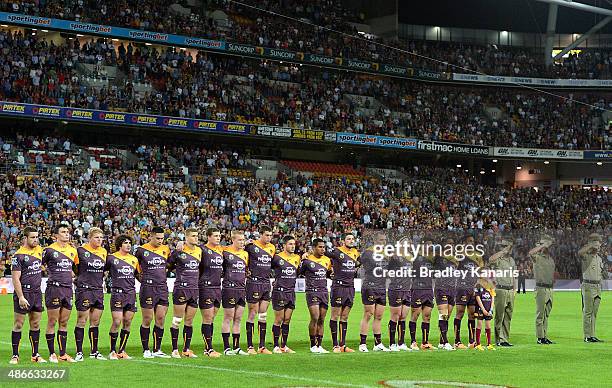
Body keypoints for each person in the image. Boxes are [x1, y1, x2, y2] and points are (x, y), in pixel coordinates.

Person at [10, 226, 47, 364]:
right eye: (33, 237)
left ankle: (35, 354)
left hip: (37, 293)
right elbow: (15, 279)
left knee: (36, 324)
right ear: (25, 238)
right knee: (19, 324)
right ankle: (15, 355)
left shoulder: (39, 251)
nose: (36, 239)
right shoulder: (18, 256)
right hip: (24, 292)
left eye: (37, 237)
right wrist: (20, 297)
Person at [43, 223, 78, 363]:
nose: (66, 234)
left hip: (68, 289)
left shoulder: (72, 250)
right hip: (54, 289)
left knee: (64, 322)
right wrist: (48, 271)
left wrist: (72, 274)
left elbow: (75, 267)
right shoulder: (49, 250)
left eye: (67, 232)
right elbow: (38, 263)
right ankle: (52, 354)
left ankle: (62, 354)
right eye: (63, 232)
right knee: (52, 321)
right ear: (56, 235)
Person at [135, 226, 172, 358]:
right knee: (147, 318)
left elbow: (170, 264)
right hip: (148, 288)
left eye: (162, 238)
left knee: (161, 318)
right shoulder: (141, 250)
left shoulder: (166, 249)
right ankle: (146, 349)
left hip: (162, 288)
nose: (160, 241)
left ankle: (157, 349)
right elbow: (133, 265)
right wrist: (140, 278)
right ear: (151, 236)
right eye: (158, 238)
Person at [74, 227, 108, 361]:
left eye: (101, 238)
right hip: (85, 290)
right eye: (96, 237)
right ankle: (79, 352)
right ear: (90, 238)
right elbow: (74, 267)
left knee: (95, 322)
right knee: (82, 320)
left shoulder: (104, 252)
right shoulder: (81, 251)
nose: (99, 240)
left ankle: (94, 351)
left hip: (98, 290)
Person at [168, 228, 202, 358]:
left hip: (194, 289)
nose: (196, 238)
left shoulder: (199, 251)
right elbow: (169, 265)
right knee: (177, 320)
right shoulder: (179, 251)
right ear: (186, 238)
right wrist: (177, 248)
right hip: (181, 288)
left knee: (189, 321)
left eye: (197, 236)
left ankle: (186, 349)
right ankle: (174, 349)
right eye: (193, 236)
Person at [106, 235, 139, 360]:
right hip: (117, 293)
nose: (128, 245)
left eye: (130, 243)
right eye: (125, 243)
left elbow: (138, 275)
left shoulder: (134, 259)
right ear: (120, 245)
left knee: (128, 322)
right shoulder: (111, 258)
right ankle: (112, 350)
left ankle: (122, 351)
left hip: (130, 294)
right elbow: (101, 271)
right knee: (117, 321)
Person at [326, 233, 361, 353]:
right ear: (343, 241)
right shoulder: (336, 251)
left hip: (350, 287)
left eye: (352, 239)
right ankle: (335, 345)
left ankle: (343, 345)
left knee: (345, 317)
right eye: (349, 239)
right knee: (335, 316)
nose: (351, 241)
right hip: (338, 287)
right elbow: (322, 254)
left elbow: (360, 262)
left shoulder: (356, 253)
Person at [244, 226, 275, 354]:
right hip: (253, 282)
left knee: (263, 315)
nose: (269, 238)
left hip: (266, 283)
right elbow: (241, 255)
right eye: (267, 235)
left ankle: (262, 346)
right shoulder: (251, 246)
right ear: (260, 235)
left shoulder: (272, 248)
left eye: (270, 235)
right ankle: (250, 346)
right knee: (252, 313)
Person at [358, 233, 390, 352]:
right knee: (368, 314)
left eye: (385, 240)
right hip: (370, 286)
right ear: (375, 240)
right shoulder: (368, 253)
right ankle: (362, 344)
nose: (383, 242)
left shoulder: (386, 254)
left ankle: (378, 343)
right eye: (381, 240)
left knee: (379, 316)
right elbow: (371, 267)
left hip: (381, 287)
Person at [300, 238, 332, 354]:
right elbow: (300, 271)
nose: (322, 249)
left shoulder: (327, 260)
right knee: (315, 317)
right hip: (312, 291)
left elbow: (328, 273)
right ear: (314, 248)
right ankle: (313, 345)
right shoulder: (307, 260)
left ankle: (319, 345)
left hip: (324, 291)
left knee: (322, 319)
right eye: (320, 247)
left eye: (324, 247)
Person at [221, 230, 250, 355]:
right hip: (229, 289)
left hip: (241, 289)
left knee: (238, 318)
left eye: (243, 240)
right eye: (239, 240)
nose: (242, 242)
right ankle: (227, 348)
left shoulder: (245, 254)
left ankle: (237, 347)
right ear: (233, 240)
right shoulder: (225, 251)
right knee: (228, 317)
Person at [270, 235, 301, 353]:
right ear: (284, 246)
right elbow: (268, 268)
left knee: (287, 319)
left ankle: (284, 345)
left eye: (294, 244)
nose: (293, 246)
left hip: (291, 292)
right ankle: (275, 346)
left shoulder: (297, 258)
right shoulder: (277, 258)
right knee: (279, 319)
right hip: (280, 292)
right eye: (290, 244)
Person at [454, 234, 483, 349]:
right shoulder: (460, 255)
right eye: (469, 241)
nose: (471, 243)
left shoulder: (477, 256)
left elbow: (481, 269)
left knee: (472, 314)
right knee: (460, 313)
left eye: (472, 241)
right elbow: (454, 266)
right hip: (462, 287)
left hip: (473, 288)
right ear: (465, 242)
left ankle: (471, 341)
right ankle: (457, 340)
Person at [199, 227, 224, 357]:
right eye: (215, 235)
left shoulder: (221, 250)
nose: (218, 238)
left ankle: (207, 347)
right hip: (205, 287)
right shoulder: (202, 250)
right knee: (207, 318)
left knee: (212, 318)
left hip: (217, 287)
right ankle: (209, 349)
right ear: (208, 237)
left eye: (219, 236)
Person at [578, 233, 607, 343]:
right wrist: (590, 245)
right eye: (597, 245)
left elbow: (601, 273)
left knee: (594, 313)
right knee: (588, 312)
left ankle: (592, 335)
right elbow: (579, 253)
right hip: (588, 286)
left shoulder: (599, 258)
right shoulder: (586, 256)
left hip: (597, 286)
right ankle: (587, 336)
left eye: (599, 245)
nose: (598, 247)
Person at [409, 236, 436, 351]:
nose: (429, 247)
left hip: (429, 290)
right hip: (418, 289)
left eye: (431, 245)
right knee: (415, 315)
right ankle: (413, 341)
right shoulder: (416, 257)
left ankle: (425, 342)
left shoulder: (433, 259)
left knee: (427, 316)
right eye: (427, 244)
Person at [529, 234, 556, 345]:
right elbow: (530, 253)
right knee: (540, 314)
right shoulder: (537, 257)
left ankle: (544, 336)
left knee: (546, 314)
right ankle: (540, 338)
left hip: (550, 289)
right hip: (541, 288)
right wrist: (543, 245)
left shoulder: (551, 259)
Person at [387, 237, 412, 352]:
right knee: (395, 316)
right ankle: (392, 344)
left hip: (407, 289)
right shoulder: (394, 257)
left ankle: (401, 343)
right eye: (405, 243)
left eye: (409, 244)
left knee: (403, 317)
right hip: (396, 289)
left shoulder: (410, 257)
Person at [489, 238, 515, 347]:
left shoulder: (512, 260)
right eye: (508, 247)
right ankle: (498, 339)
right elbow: (490, 259)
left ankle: (505, 339)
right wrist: (503, 251)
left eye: (510, 247)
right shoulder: (498, 259)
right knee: (499, 316)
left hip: (510, 290)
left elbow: (514, 275)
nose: (510, 249)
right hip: (501, 289)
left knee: (508, 316)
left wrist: (515, 290)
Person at [434, 238, 457, 351]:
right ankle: (446, 342)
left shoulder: (455, 259)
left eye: (452, 244)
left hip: (452, 289)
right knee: (443, 314)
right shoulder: (439, 258)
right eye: (449, 243)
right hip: (441, 288)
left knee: (447, 316)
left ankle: (441, 341)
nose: (451, 245)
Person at [474, 276, 496, 351]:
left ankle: (489, 344)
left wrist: (491, 309)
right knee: (479, 325)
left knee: (488, 326)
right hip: (481, 309)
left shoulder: (491, 285)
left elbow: (493, 297)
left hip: (488, 309)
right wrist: (483, 309)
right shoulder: (478, 285)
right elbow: (477, 298)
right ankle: (478, 344)